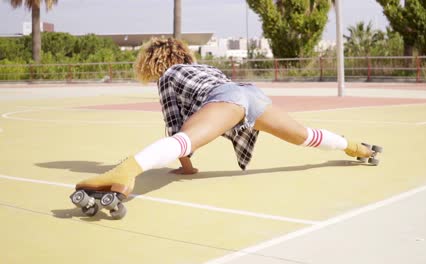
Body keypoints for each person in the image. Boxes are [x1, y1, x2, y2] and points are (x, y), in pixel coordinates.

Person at [74, 38, 374, 198]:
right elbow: (226, 95)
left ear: (152, 62)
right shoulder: (204, 67)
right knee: (304, 136)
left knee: (181, 140)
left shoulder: (167, 76)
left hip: (227, 100)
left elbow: (174, 124)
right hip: (249, 94)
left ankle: (124, 172)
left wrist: (187, 168)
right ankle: (355, 147)